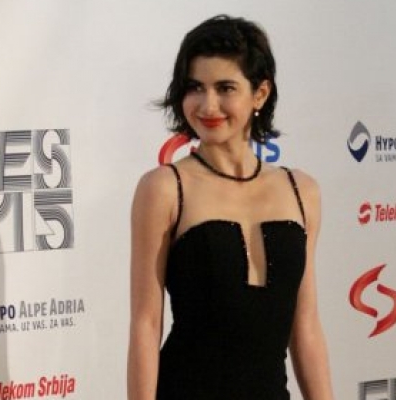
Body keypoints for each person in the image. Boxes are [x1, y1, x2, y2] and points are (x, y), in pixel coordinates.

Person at [128, 15, 334, 400]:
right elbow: (145, 325)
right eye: (195, 87)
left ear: (260, 94)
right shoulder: (165, 188)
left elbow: (305, 327)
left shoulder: (301, 191)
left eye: (225, 88)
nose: (208, 105)